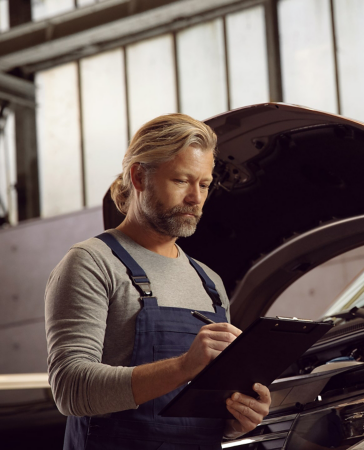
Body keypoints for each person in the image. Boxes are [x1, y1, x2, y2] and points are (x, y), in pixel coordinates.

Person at [45, 114, 270, 449]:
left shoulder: (209, 282)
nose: (196, 198)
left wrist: (237, 420)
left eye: (204, 184)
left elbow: (200, 413)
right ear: (139, 176)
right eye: (181, 180)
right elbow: (70, 389)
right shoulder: (92, 263)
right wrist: (183, 365)